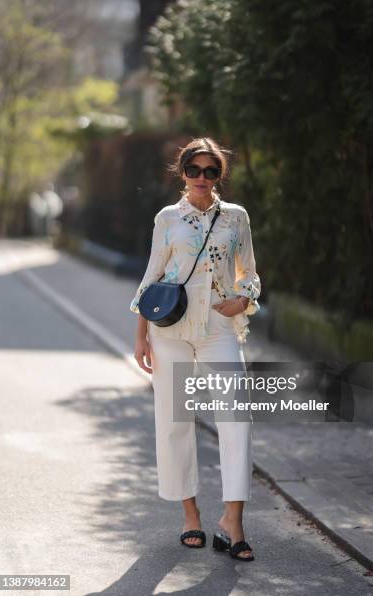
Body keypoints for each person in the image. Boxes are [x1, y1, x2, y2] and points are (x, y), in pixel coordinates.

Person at [130, 137, 261, 561]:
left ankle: (232, 521)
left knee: (236, 419)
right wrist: (141, 335)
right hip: (171, 333)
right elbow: (152, 277)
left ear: (219, 175)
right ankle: (190, 516)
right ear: (183, 173)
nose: (202, 178)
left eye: (211, 171)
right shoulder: (167, 218)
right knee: (175, 422)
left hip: (219, 329)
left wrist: (243, 298)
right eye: (195, 170)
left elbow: (250, 274)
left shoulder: (235, 218)